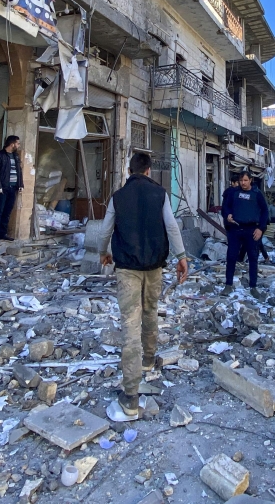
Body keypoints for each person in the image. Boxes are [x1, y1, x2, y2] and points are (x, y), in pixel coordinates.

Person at [99, 153, 188, 417]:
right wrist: (182, 257)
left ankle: (130, 396)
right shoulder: (160, 194)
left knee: (130, 324)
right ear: (148, 171)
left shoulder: (118, 197)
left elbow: (105, 230)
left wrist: (103, 252)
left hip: (127, 268)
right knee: (151, 311)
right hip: (154, 266)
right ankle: (148, 360)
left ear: (130, 171)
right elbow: (172, 227)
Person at [220, 172, 268, 296]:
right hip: (235, 229)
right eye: (241, 180)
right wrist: (227, 215)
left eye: (246, 180)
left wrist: (261, 229)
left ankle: (253, 287)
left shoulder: (257, 194)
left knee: (253, 258)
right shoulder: (233, 193)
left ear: (251, 180)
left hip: (252, 229)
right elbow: (225, 207)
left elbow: (265, 212)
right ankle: (228, 285)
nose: (243, 183)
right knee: (231, 257)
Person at [0, 135, 23, 244]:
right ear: (12, 144)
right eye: (17, 143)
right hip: (2, 189)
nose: (18, 145)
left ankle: (3, 233)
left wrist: (20, 184)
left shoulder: (15, 156)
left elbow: (19, 171)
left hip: (12, 188)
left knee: (7, 212)